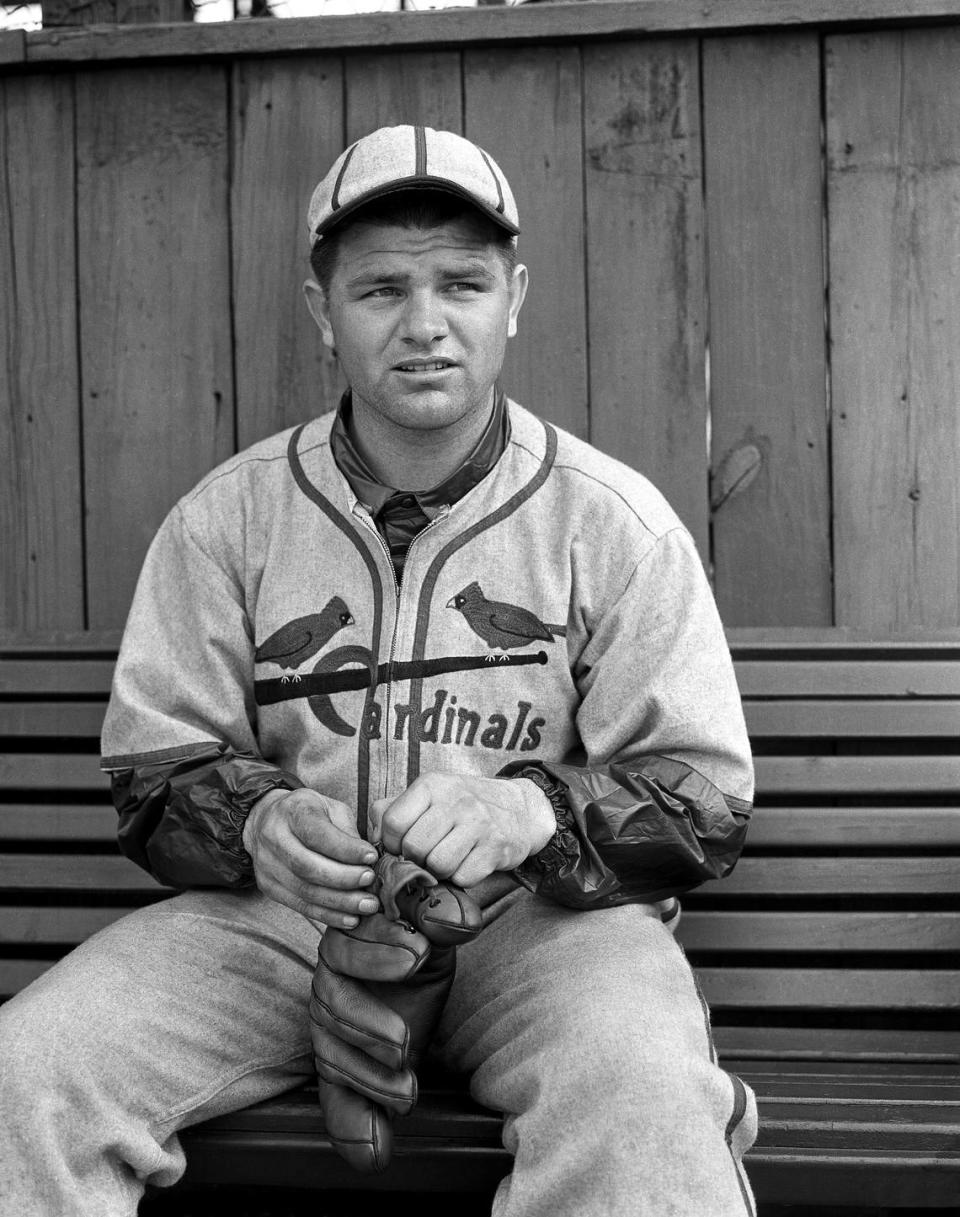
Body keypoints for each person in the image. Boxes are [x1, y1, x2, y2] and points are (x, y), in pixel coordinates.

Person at [0, 125, 757, 1216]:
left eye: (462, 282)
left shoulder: (615, 523)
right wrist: (257, 821)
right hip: (285, 920)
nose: (424, 323)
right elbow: (154, 767)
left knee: (640, 1095)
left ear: (514, 297)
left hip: (539, 925)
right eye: (380, 288)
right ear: (323, 311)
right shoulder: (230, 519)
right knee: (29, 1072)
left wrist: (528, 812)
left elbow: (706, 797)